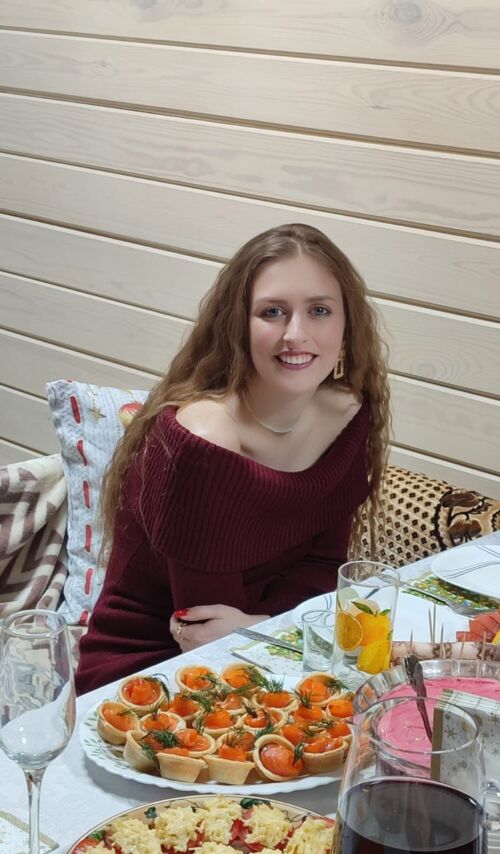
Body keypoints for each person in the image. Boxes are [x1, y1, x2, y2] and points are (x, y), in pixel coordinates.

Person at [75, 223, 390, 693]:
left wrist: (258, 624)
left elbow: (324, 568)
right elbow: (205, 631)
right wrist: (271, 627)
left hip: (267, 645)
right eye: (272, 312)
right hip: (149, 673)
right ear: (238, 326)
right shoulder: (204, 439)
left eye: (319, 311)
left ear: (346, 328)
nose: (296, 334)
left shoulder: (346, 413)